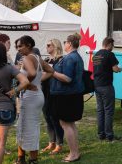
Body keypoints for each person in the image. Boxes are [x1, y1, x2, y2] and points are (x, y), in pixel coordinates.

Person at [15, 35, 54, 164]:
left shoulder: (27, 58)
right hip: (37, 95)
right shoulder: (38, 58)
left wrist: (25, 85)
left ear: (28, 45)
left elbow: (31, 74)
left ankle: (27, 159)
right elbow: (51, 71)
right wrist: (37, 82)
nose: (18, 49)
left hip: (30, 96)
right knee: (30, 126)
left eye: (20, 46)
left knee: (25, 126)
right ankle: (27, 159)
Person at [50, 33, 84, 163]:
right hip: (72, 95)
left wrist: (52, 71)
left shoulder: (70, 58)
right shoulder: (76, 57)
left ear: (69, 44)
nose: (64, 44)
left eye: (65, 42)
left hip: (67, 96)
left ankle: (74, 154)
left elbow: (67, 78)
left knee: (66, 124)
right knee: (70, 123)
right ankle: (75, 151)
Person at [92, 37, 122, 142]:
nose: (112, 48)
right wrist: (119, 69)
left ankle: (101, 134)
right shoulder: (110, 54)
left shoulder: (96, 55)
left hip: (97, 86)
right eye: (112, 45)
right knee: (108, 111)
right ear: (109, 44)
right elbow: (115, 68)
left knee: (100, 110)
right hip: (106, 86)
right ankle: (109, 135)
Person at [41, 39, 65, 154]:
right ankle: (51, 142)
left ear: (55, 46)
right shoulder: (46, 59)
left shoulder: (61, 60)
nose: (47, 47)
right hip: (44, 91)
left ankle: (59, 144)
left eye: (48, 45)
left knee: (55, 118)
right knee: (47, 117)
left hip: (55, 92)